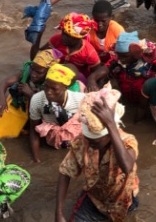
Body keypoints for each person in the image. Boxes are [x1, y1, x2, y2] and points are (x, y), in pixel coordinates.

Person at [56, 88, 139, 222]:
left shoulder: (127, 141)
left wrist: (110, 124)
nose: (90, 144)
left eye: (95, 142)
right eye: (88, 140)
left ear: (109, 135)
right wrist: (59, 213)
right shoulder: (82, 141)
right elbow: (65, 172)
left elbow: (127, 166)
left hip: (124, 201)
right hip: (94, 200)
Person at [89, 32, 156, 119]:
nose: (121, 59)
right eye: (119, 56)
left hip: (146, 100)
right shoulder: (117, 60)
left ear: (135, 53)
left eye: (125, 56)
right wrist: (92, 79)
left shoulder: (148, 61)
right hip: (127, 97)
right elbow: (106, 68)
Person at [0, 49, 58, 139]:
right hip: (22, 101)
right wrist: (1, 100)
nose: (33, 74)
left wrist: (30, 94)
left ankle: (29, 128)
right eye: (32, 69)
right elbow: (4, 83)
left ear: (49, 72)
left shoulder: (53, 83)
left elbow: (49, 107)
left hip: (41, 108)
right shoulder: (27, 71)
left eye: (38, 72)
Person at [29, 64, 85, 163]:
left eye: (54, 89)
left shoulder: (80, 99)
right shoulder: (37, 100)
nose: (48, 92)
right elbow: (33, 131)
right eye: (46, 86)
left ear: (66, 87)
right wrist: (36, 159)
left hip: (77, 138)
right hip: (52, 140)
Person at [31, 13, 101, 82]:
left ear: (79, 37)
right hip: (54, 76)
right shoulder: (57, 39)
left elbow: (96, 72)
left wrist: (92, 82)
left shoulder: (89, 52)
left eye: (68, 36)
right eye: (63, 33)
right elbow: (36, 58)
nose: (63, 37)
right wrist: (38, 36)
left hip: (75, 80)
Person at [88, 1, 125, 65]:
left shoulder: (117, 29)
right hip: (94, 60)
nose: (99, 24)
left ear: (111, 18)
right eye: (96, 20)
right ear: (93, 17)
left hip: (113, 62)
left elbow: (126, 50)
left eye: (103, 21)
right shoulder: (87, 28)